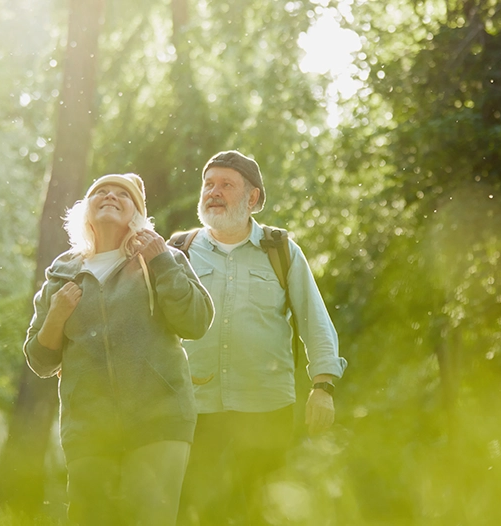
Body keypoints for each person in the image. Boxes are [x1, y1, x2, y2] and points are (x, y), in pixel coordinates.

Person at [24, 173, 214, 526]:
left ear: (137, 214)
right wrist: (57, 315)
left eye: (122, 195)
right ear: (85, 211)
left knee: (149, 519)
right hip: (89, 427)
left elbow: (197, 321)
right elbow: (40, 359)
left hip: (160, 418)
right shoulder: (62, 272)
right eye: (100, 191)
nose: (110, 196)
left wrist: (161, 261)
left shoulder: (161, 257)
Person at [175, 151, 348, 525]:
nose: (213, 192)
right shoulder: (179, 251)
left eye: (226, 185)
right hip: (193, 409)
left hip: (266, 408)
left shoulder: (281, 250)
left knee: (261, 511)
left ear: (252, 198)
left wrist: (323, 386)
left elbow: (314, 319)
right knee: (200, 512)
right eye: (208, 184)